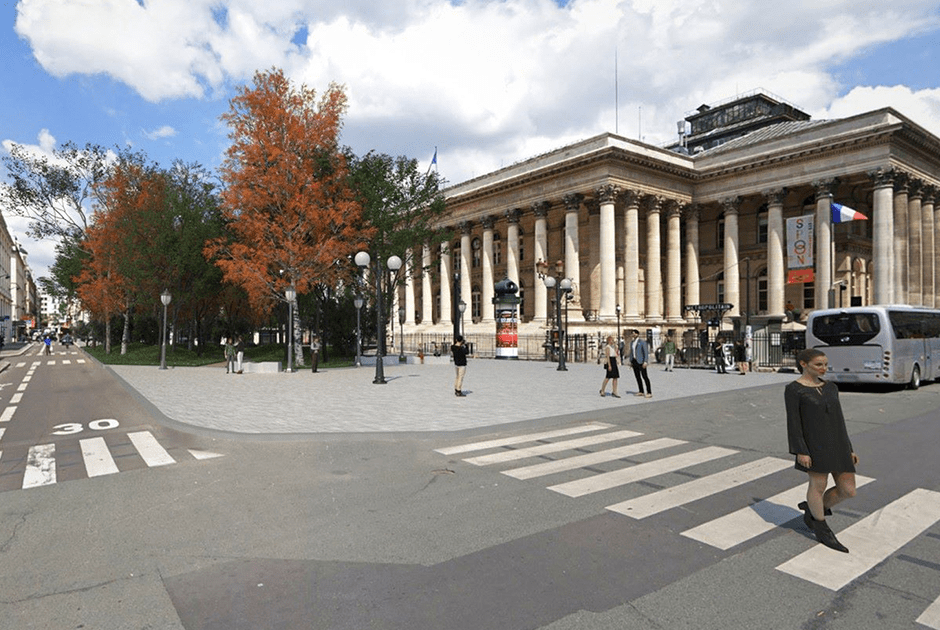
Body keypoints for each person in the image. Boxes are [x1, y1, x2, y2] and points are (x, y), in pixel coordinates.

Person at [786, 348, 858, 553]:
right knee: (818, 485)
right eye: (819, 364)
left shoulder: (831, 387)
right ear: (803, 364)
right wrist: (800, 451)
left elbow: (839, 419)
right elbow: (794, 422)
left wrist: (849, 448)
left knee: (848, 490)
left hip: (838, 443)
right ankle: (821, 526)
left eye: (825, 364)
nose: (824, 368)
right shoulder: (794, 389)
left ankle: (812, 508)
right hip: (813, 445)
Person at [626, 329, 652, 398]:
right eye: (632, 333)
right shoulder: (632, 342)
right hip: (634, 361)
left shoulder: (642, 342)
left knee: (645, 377)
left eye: (634, 333)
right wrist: (630, 361)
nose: (633, 334)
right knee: (637, 377)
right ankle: (641, 391)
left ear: (637, 334)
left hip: (641, 361)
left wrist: (645, 361)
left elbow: (645, 352)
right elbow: (631, 352)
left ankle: (649, 392)